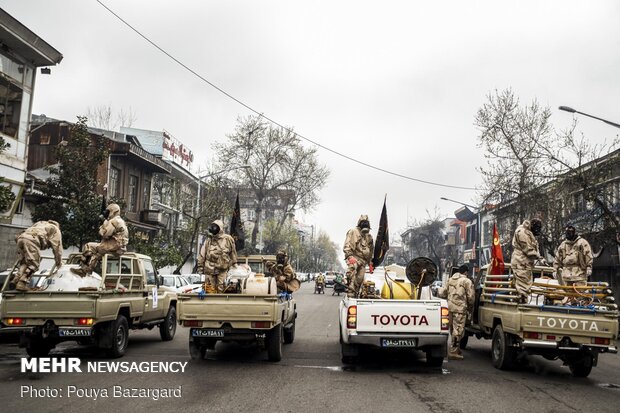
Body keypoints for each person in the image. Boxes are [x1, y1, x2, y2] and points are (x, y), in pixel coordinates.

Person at [71, 203, 128, 277]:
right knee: (97, 254)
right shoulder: (121, 221)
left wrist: (103, 225)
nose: (107, 213)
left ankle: (83, 269)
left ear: (113, 211)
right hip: (120, 248)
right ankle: (88, 269)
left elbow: (105, 234)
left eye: (108, 211)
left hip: (113, 246)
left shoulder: (114, 221)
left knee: (89, 246)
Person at [12, 220, 63, 291]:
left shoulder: (40, 223)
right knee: (34, 264)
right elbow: (57, 249)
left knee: (24, 262)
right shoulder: (55, 229)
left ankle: (16, 279)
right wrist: (59, 263)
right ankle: (21, 283)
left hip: (20, 238)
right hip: (32, 240)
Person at [438, 264, 475, 360]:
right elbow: (471, 297)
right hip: (460, 309)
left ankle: (456, 349)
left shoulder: (450, 280)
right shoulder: (467, 281)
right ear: (466, 272)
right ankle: (453, 352)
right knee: (458, 331)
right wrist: (470, 308)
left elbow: (443, 293)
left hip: (450, 307)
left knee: (452, 330)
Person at [197, 219, 237, 293]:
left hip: (222, 270)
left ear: (220, 228)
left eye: (216, 227)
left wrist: (234, 264)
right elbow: (202, 255)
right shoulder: (209, 240)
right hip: (209, 270)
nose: (214, 229)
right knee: (210, 290)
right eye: (213, 227)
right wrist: (200, 268)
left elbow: (233, 253)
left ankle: (221, 303)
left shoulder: (228, 239)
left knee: (222, 289)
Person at [510, 218, 543, 303]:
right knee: (523, 287)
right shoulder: (523, 232)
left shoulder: (528, 233)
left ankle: (520, 301)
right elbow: (528, 249)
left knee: (523, 285)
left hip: (524, 263)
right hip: (521, 263)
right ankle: (521, 304)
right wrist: (540, 257)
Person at [343, 214, 374, 297]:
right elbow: (347, 245)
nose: (365, 224)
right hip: (354, 257)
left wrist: (370, 262)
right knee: (352, 269)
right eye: (363, 222)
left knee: (360, 278)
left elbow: (370, 251)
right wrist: (350, 256)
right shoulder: (353, 232)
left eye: (366, 223)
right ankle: (349, 287)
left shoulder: (369, 237)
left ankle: (355, 292)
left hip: (363, 261)